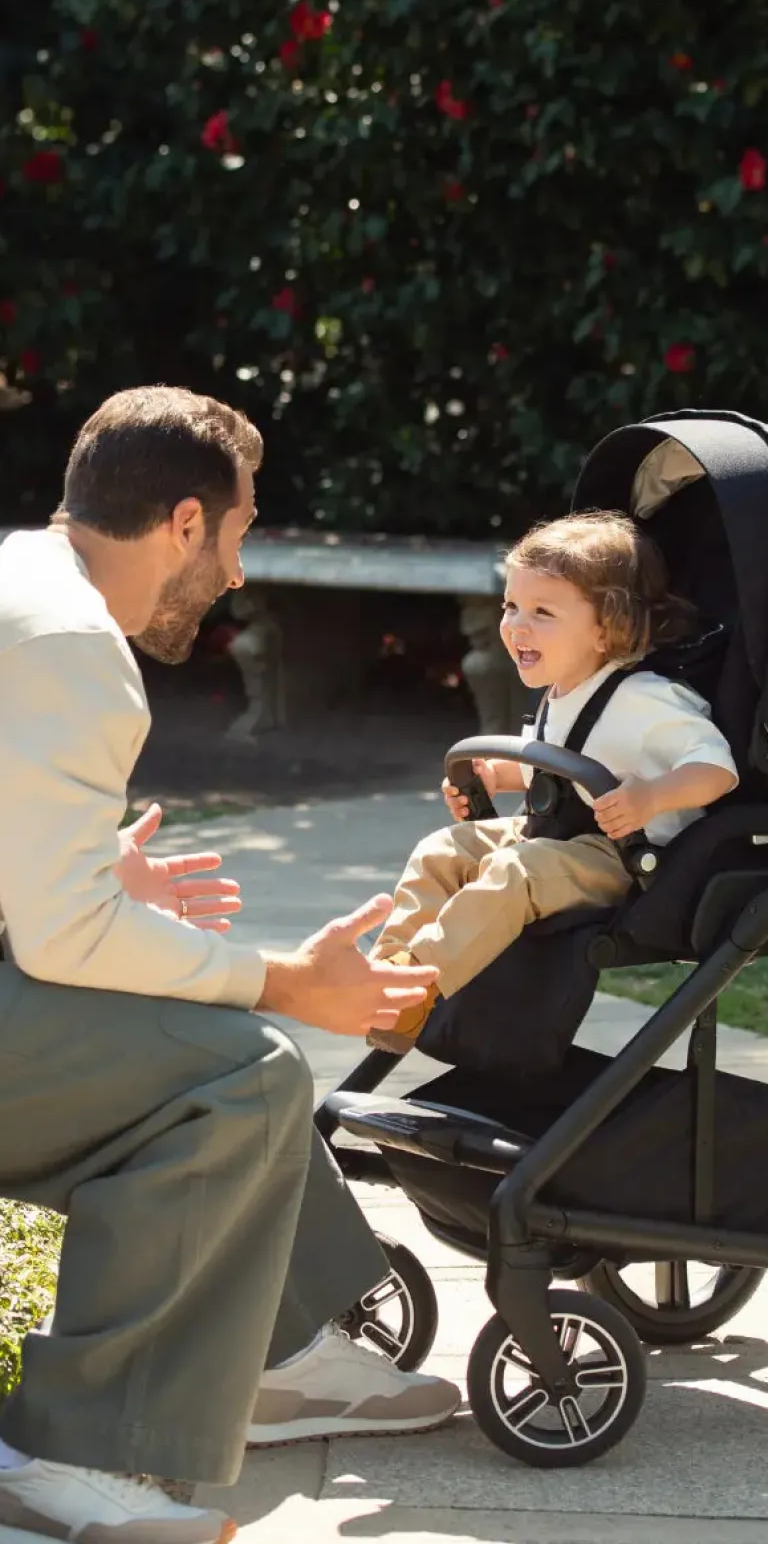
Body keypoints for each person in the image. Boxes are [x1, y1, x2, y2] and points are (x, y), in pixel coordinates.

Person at [0, 387, 460, 1544]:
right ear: (186, 522)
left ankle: (280, 1353)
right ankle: (72, 1448)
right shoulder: (72, 644)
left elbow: (44, 894)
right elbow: (64, 941)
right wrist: (285, 978)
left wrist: (96, 874)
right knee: (242, 1069)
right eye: (242, 531)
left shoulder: (23, 582)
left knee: (197, 1027)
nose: (241, 572)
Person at [369, 510, 739, 1049]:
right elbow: (550, 767)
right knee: (442, 851)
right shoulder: (563, 689)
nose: (517, 625)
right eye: (511, 606)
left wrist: (651, 796)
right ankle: (383, 978)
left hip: (624, 856)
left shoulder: (644, 699)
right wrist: (494, 775)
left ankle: (413, 989)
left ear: (606, 628)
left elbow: (718, 770)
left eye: (542, 612)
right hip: (556, 837)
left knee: (514, 872)